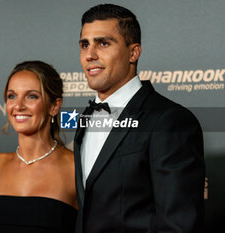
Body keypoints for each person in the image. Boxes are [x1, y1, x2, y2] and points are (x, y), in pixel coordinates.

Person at [74, 4, 205, 233]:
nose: (90, 54)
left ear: (133, 52)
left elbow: (179, 225)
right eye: (85, 44)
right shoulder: (85, 118)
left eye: (103, 43)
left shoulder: (169, 121)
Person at [0, 61, 77, 233]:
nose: (18, 106)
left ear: (54, 106)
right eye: (12, 96)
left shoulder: (75, 166)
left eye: (31, 96)